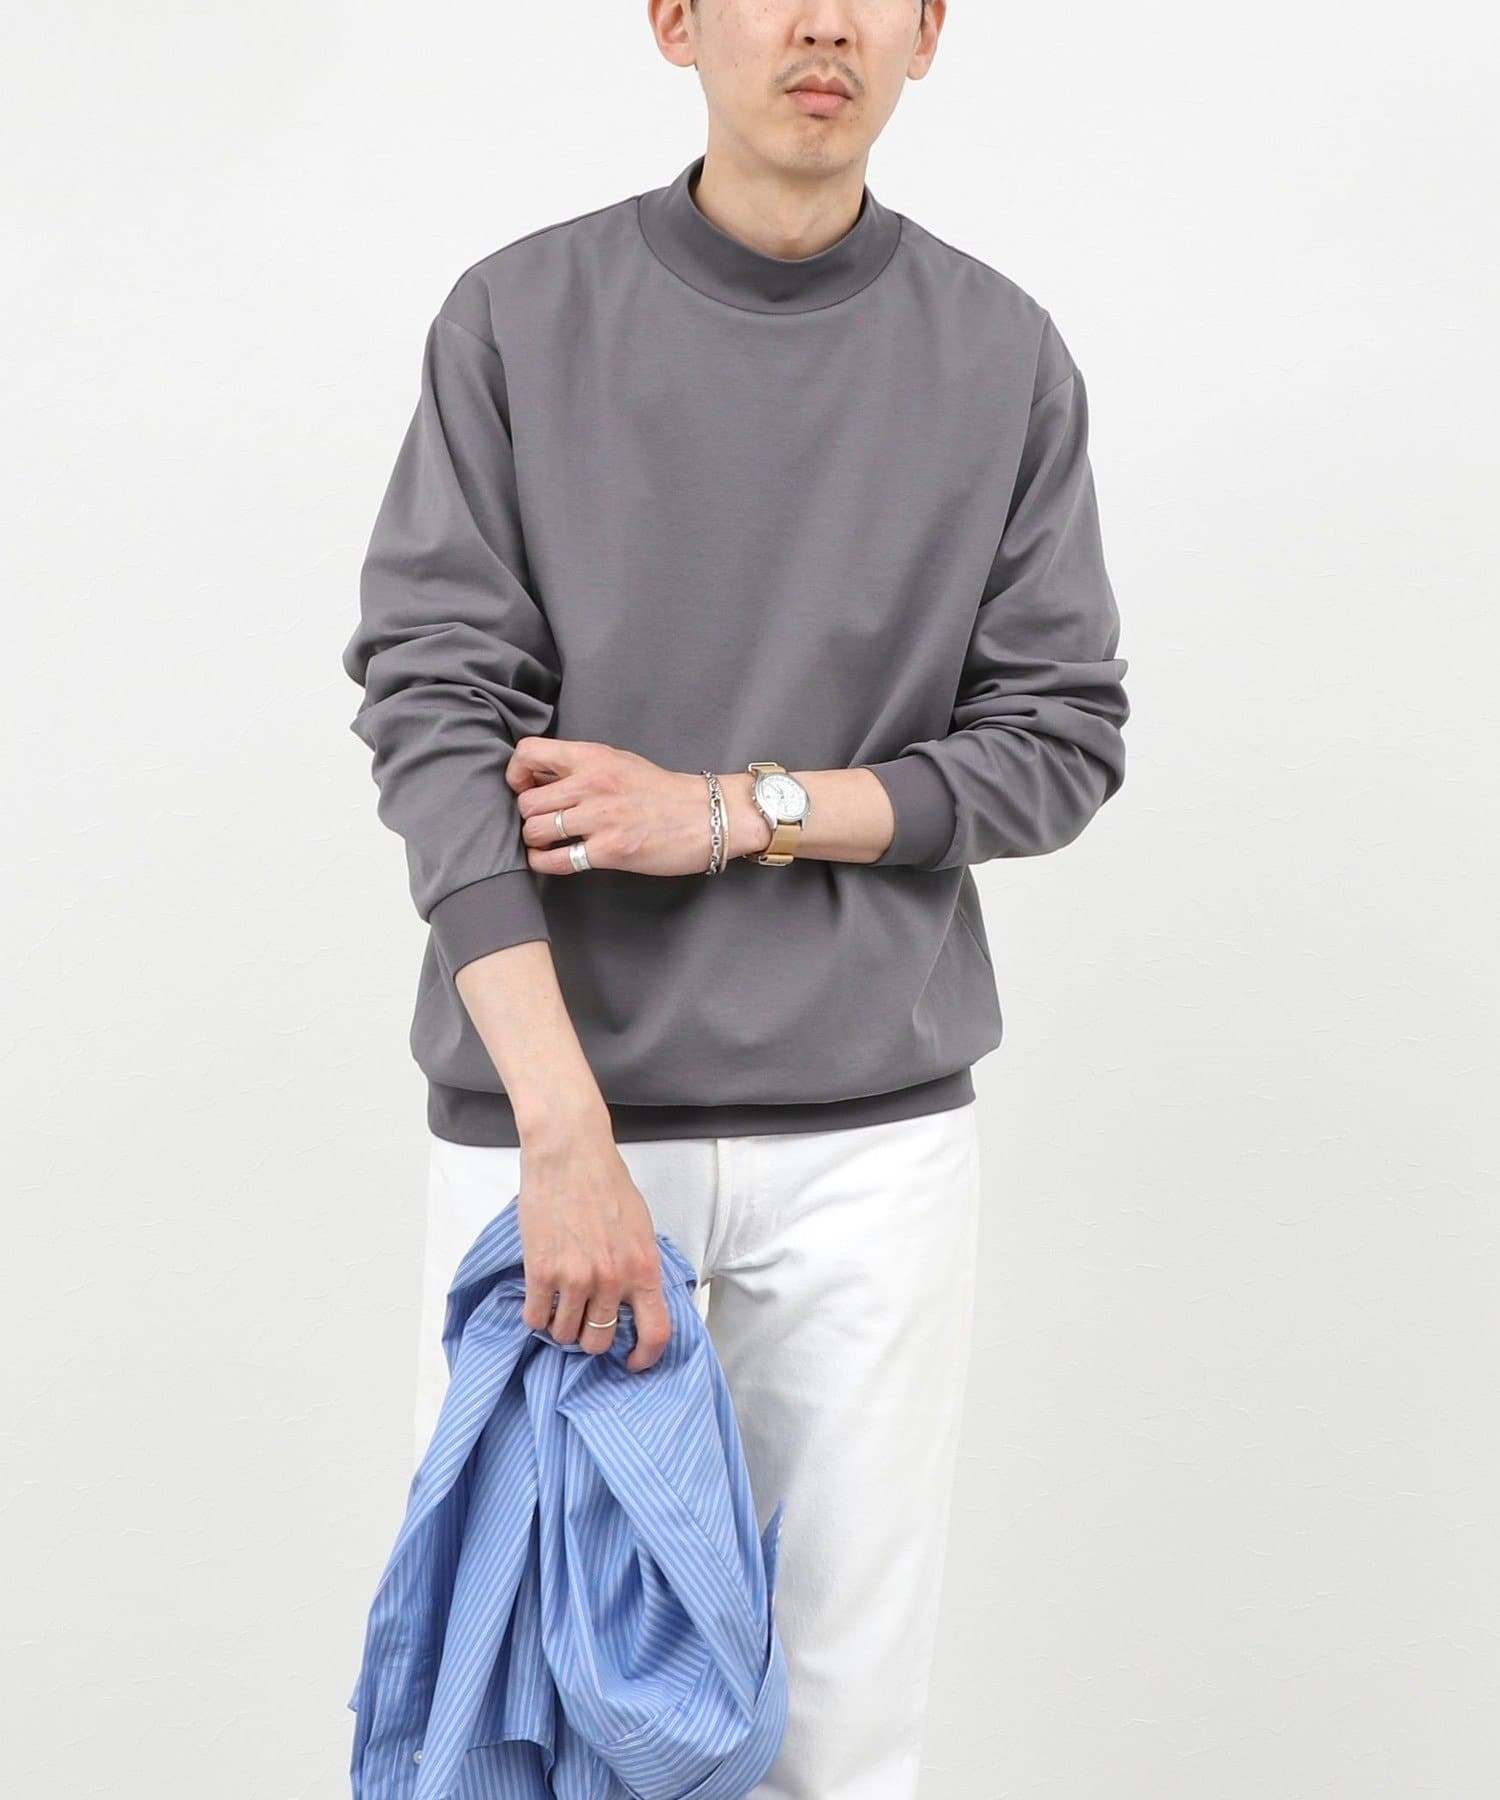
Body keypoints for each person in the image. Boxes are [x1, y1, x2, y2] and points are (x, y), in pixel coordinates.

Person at [340, 2, 1129, 1793]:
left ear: (929, 34)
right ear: (678, 20)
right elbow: (434, 720)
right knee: (510, 1712)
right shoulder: (520, 320)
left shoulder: (998, 352)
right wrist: (563, 1131)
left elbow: (1060, 740)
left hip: (871, 1147)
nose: (824, 23)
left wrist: (732, 813)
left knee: (839, 1734)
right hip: (556, 1122)